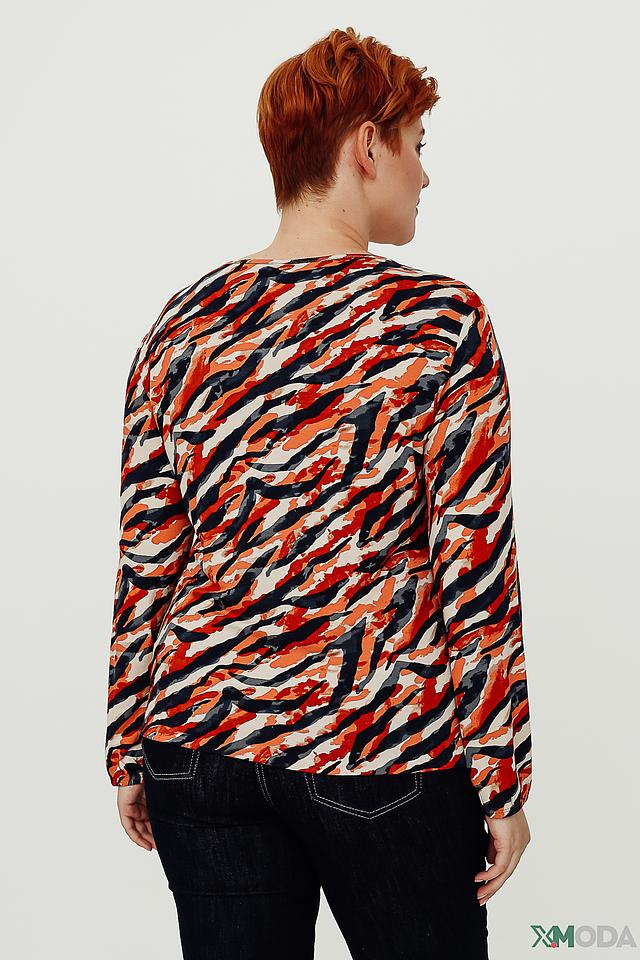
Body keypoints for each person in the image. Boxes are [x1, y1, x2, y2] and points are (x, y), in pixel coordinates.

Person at [105, 25, 533, 960]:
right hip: (380, 743)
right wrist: (502, 775)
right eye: (417, 145)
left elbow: (150, 551)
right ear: (367, 146)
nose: (425, 174)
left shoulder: (183, 324)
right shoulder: (439, 322)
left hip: (198, 747)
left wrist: (127, 739)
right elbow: (474, 565)